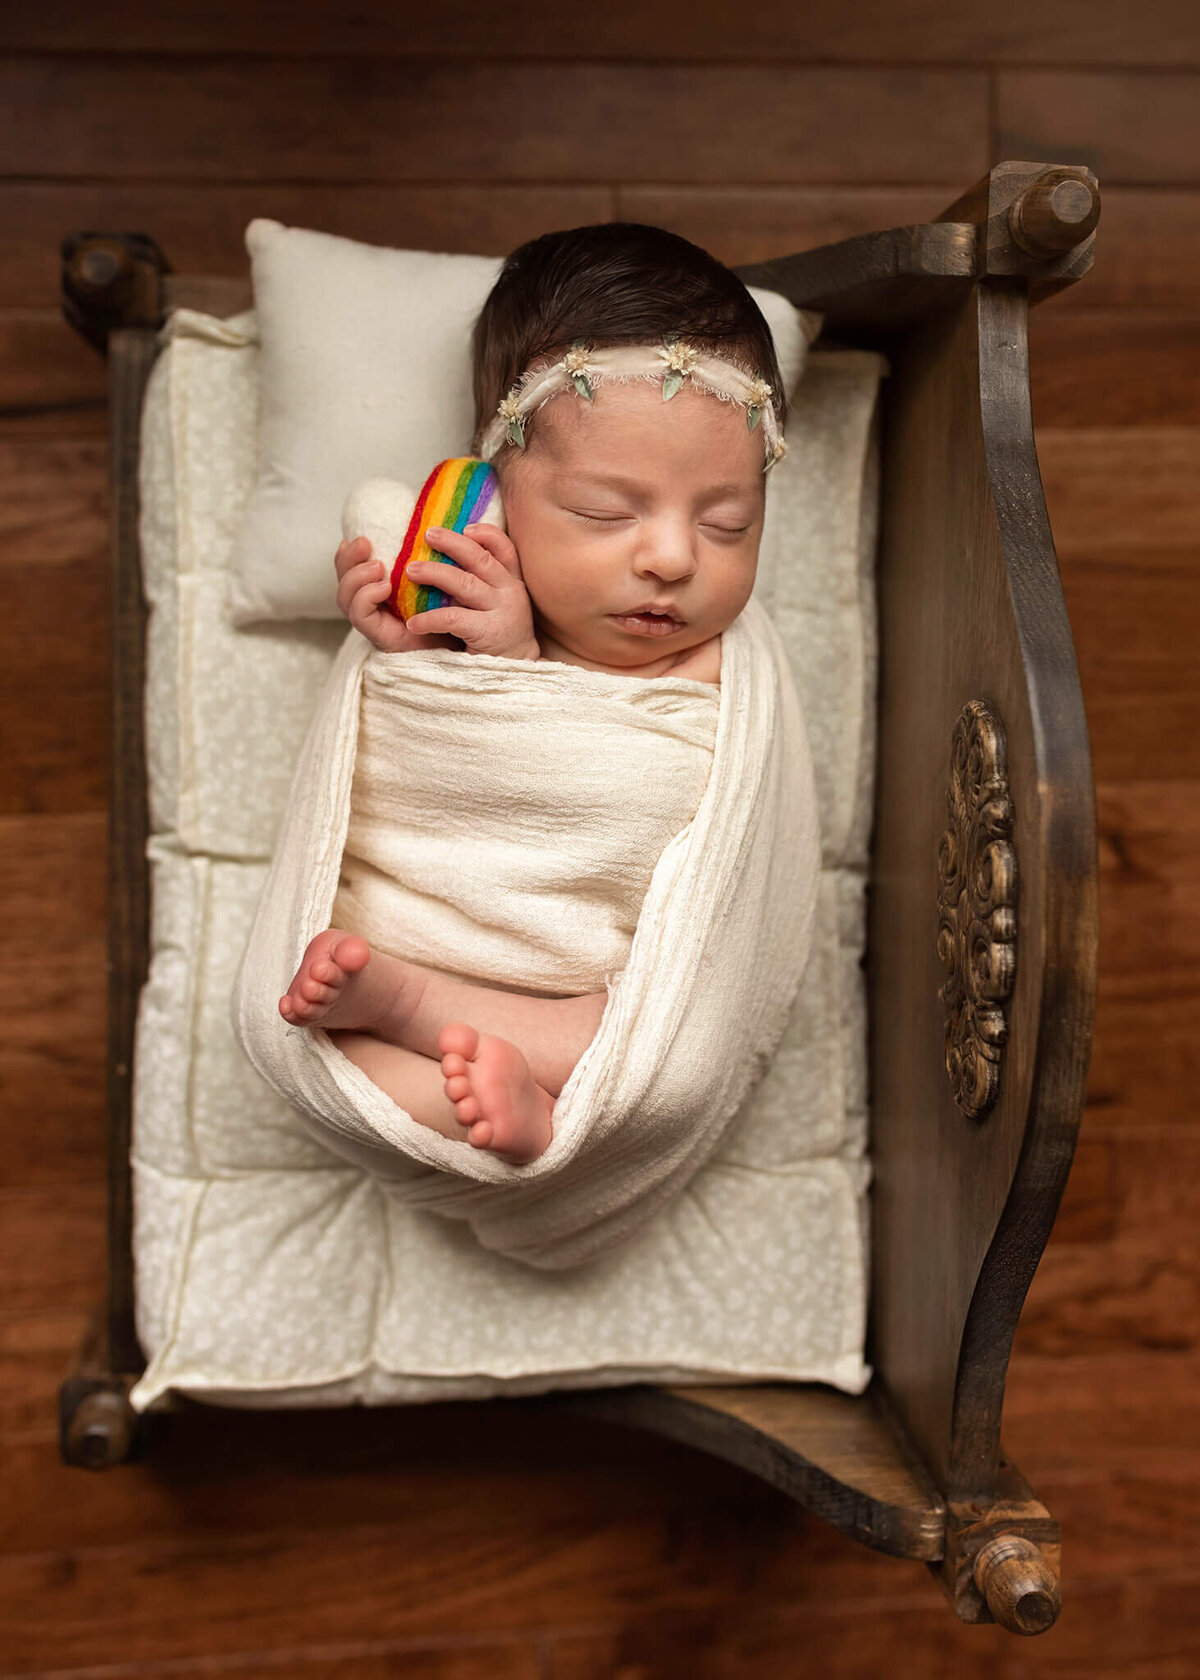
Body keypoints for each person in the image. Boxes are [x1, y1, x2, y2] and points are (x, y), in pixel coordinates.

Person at [277, 222, 792, 1166]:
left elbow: (684, 828)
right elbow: (424, 770)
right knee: (307, 1051)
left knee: (662, 1054)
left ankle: (439, 1027)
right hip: (433, 930)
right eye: (604, 513)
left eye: (729, 524)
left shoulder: (723, 664)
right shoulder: (470, 591)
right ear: (490, 489)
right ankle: (443, 1037)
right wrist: (416, 657)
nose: (673, 559)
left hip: (584, 999)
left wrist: (517, 664)